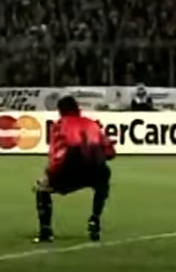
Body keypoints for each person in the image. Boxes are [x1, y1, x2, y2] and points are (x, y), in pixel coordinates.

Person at [34, 96, 116, 243]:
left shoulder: (60, 125)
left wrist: (50, 173)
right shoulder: (92, 124)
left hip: (70, 169)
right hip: (94, 170)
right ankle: (95, 218)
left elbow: (57, 153)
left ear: (61, 111)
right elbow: (109, 152)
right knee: (104, 175)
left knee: (42, 189)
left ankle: (46, 231)